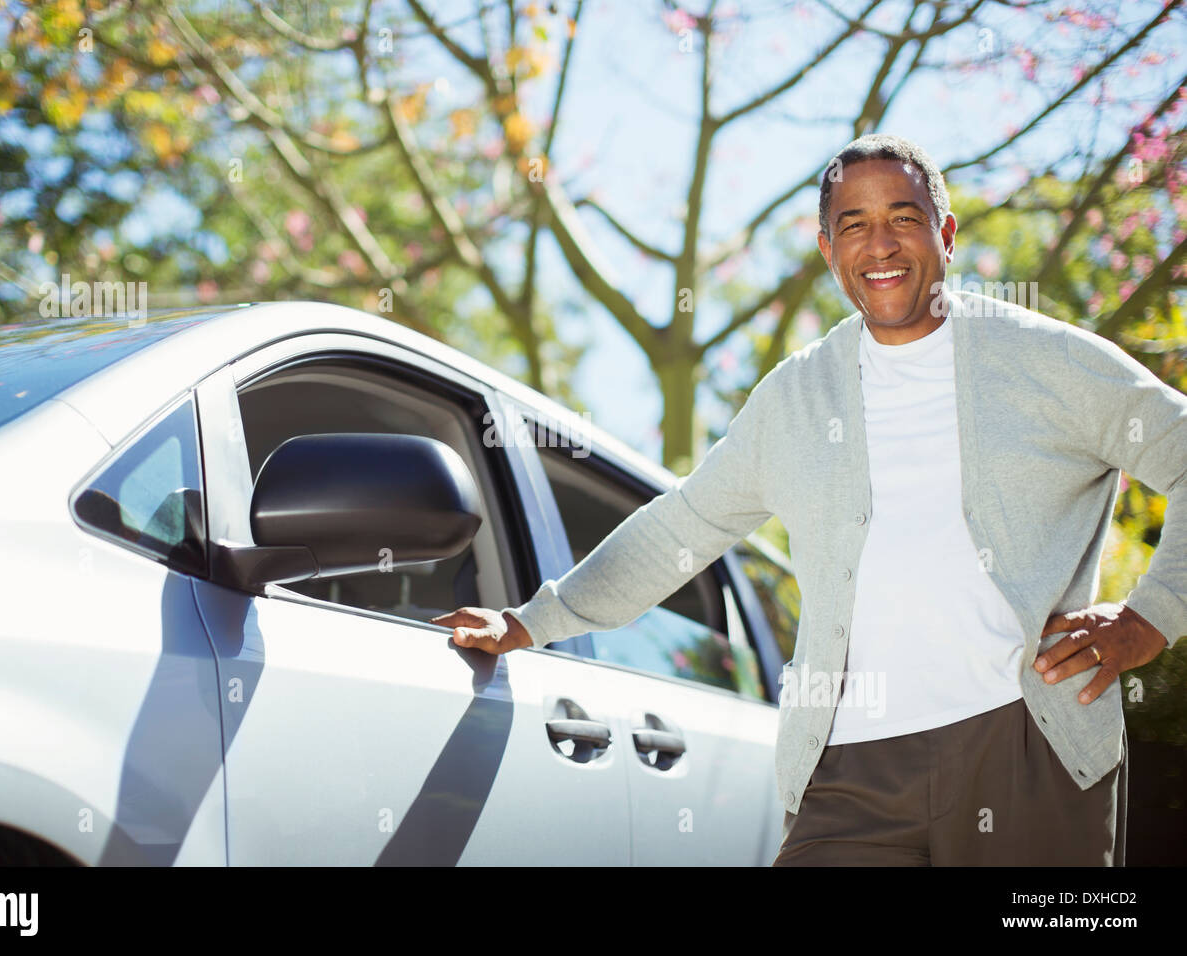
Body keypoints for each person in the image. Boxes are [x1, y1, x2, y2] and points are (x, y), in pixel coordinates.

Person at [430, 133, 1186, 866]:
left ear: (946, 234)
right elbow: (682, 529)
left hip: (1028, 744)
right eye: (852, 224)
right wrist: (531, 620)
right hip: (848, 768)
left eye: (903, 217)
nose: (879, 244)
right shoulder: (796, 396)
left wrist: (1151, 617)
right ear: (828, 250)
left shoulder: (1044, 360)